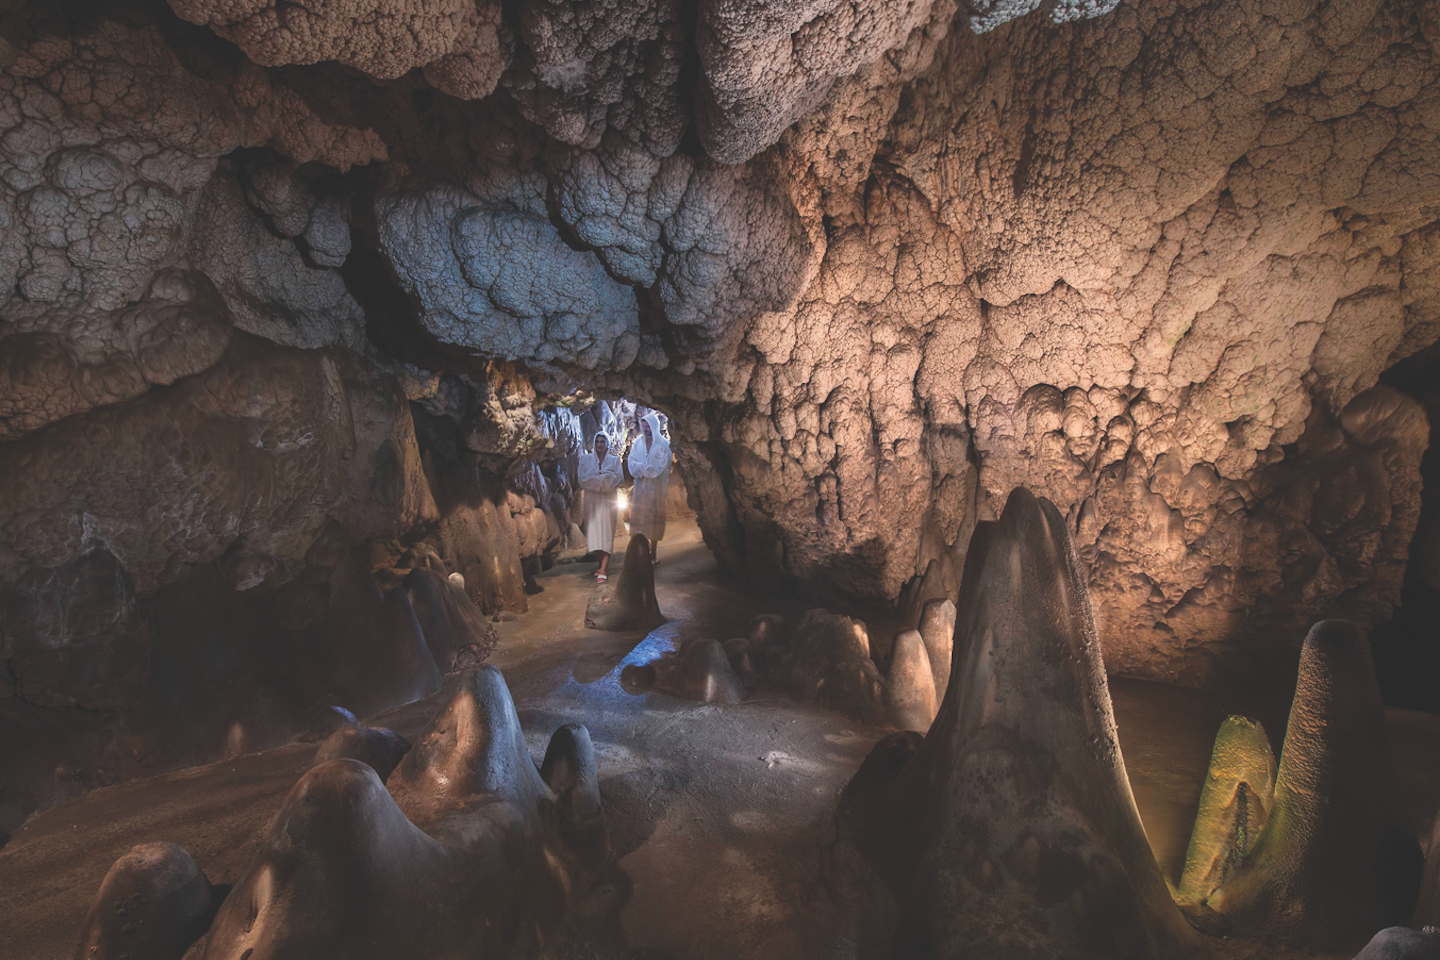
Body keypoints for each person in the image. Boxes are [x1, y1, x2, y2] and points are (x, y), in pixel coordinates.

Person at [578, 432, 624, 582]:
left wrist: (598, 480)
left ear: (607, 444)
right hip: (592, 502)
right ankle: (600, 565)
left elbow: (618, 479)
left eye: (602, 442)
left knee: (606, 532)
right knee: (594, 533)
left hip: (608, 501)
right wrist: (603, 479)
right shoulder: (585, 460)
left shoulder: (614, 461)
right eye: (597, 441)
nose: (599, 444)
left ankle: (604, 569)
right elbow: (582, 479)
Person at [626, 411, 671, 564]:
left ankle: (654, 553)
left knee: (654, 522)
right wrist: (644, 468)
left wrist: (642, 468)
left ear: (655, 426)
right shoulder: (638, 443)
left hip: (656, 490)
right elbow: (631, 464)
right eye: (643, 426)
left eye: (648, 426)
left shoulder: (663, 444)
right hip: (640, 490)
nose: (646, 429)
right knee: (640, 522)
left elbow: (660, 468)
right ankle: (642, 552)